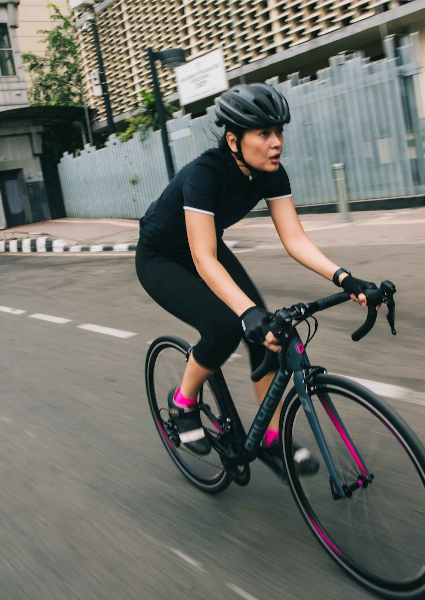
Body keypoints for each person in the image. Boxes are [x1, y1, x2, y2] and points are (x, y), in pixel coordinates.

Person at [135, 83, 381, 477]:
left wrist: (345, 279)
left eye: (279, 131)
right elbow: (202, 257)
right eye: (264, 133)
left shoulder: (271, 173)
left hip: (206, 249)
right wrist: (245, 312)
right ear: (234, 140)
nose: (276, 142)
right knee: (223, 327)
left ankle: (270, 437)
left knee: (269, 333)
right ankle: (184, 402)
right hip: (161, 257)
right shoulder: (204, 174)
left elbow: (295, 239)